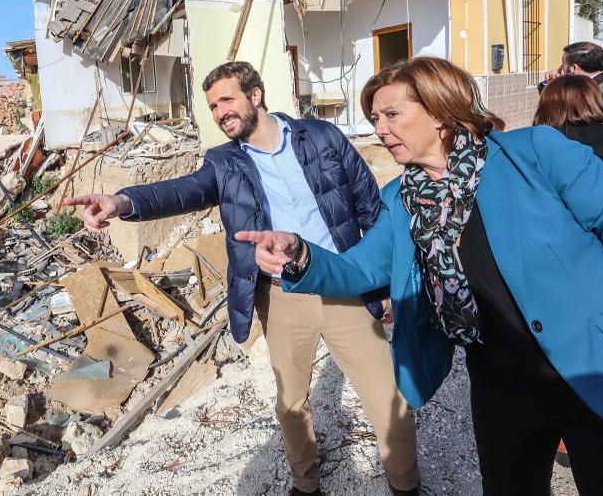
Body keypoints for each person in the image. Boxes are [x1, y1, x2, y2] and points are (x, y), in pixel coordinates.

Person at [236, 57, 603, 495]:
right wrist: (299, 254)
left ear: (440, 111)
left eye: (391, 115)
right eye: (373, 119)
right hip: (501, 383)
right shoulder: (401, 198)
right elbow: (360, 267)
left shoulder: (537, 152)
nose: (379, 129)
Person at [65, 61, 420, 496]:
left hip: (344, 283)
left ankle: (405, 486)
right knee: (291, 404)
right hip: (283, 294)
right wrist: (122, 201)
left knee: (387, 396)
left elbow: (371, 210)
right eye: (213, 106)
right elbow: (181, 190)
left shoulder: (322, 137)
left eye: (227, 100)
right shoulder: (223, 162)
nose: (219, 113)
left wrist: (383, 287)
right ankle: (305, 485)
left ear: (255, 96)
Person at [537, 41, 603, 121]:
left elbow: (555, 113)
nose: (560, 69)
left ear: (574, 68)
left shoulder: (602, 93)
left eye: (563, 65)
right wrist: (551, 84)